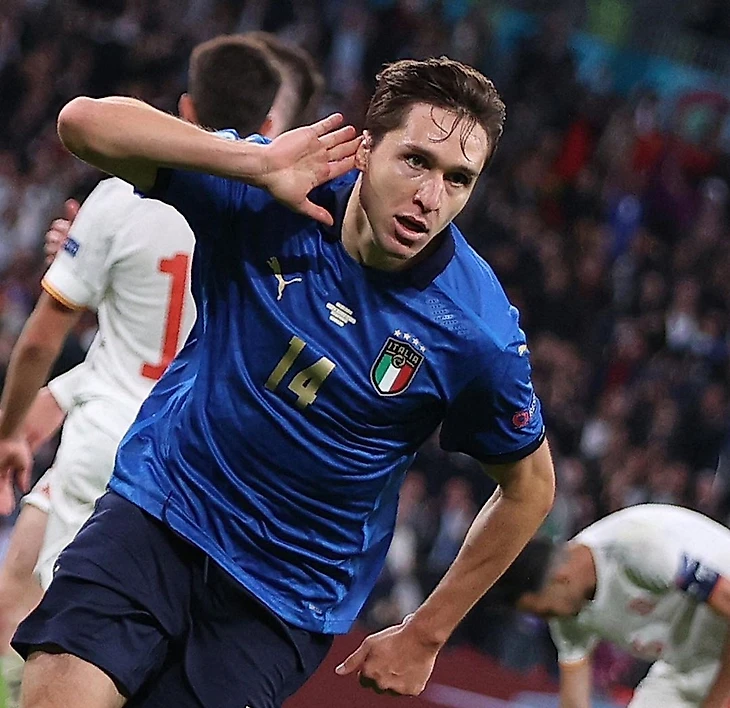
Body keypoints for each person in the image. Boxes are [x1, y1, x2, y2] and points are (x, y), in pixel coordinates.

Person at [8, 56, 555, 708]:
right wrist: (251, 162)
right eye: (416, 161)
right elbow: (83, 124)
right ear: (366, 148)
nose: (431, 197)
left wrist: (426, 633)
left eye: (457, 179)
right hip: (160, 509)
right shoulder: (276, 186)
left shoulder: (475, 330)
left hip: (282, 595)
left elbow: (531, 488)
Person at [0, 32, 297, 708]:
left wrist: (9, 427)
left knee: (59, 651)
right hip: (198, 462)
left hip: (108, 439)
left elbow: (42, 339)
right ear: (270, 123)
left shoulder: (121, 197)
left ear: (184, 110)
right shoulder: (281, 223)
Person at [488, 504, 730, 708]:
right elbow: (574, 700)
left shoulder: (639, 546)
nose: (548, 619)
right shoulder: (567, 613)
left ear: (561, 578)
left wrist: (716, 702)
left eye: (544, 611)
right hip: (687, 668)